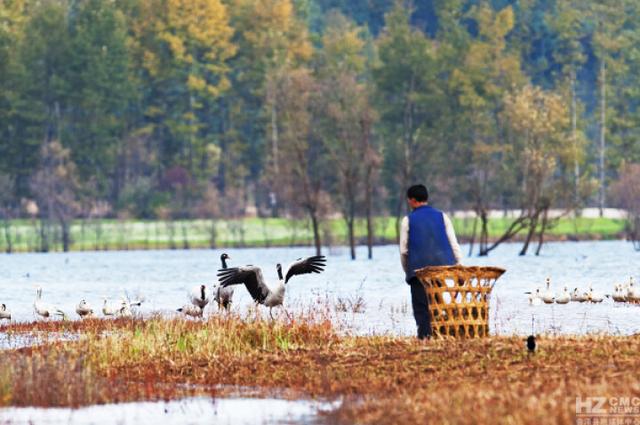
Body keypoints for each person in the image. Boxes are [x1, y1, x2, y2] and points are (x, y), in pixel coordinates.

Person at [399, 184, 462, 339]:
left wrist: (408, 271)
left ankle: (425, 337)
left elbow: (404, 251)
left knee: (421, 306)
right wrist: (459, 266)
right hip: (441, 269)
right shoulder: (442, 216)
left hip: (418, 270)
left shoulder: (408, 220)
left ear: (412, 200)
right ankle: (442, 333)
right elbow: (454, 244)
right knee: (437, 301)